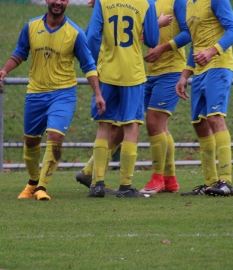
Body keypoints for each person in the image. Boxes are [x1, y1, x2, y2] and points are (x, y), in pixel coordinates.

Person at [0, 0, 105, 201]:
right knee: (31, 141)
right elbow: (20, 52)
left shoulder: (75, 33)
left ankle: (41, 188)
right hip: (35, 93)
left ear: (67, 3)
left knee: (55, 137)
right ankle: (32, 182)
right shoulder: (31, 26)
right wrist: (4, 69)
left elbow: (88, 65)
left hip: (63, 94)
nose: (58, 2)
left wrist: (97, 93)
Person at [85, 0, 160, 198]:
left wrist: (94, 63)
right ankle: (125, 186)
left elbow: (92, 35)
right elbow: (153, 39)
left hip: (107, 71)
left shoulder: (103, 1)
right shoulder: (147, 3)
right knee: (131, 125)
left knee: (104, 124)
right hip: (132, 74)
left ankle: (97, 183)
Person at [175, 0, 233, 196]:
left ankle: (226, 182)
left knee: (215, 117)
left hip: (219, 64)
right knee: (199, 123)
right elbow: (195, 43)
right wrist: (185, 74)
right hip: (200, 70)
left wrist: (212, 51)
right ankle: (210, 182)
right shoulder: (188, 4)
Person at [138, 0, 191, 195]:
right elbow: (142, 34)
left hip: (171, 72)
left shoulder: (178, 2)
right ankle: (170, 180)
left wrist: (162, 48)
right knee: (160, 127)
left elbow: (188, 33)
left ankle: (157, 178)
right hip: (151, 72)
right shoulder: (147, 3)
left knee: (153, 122)